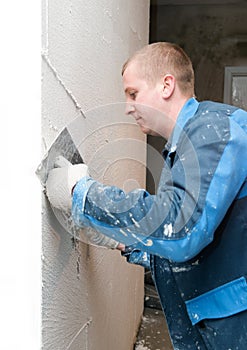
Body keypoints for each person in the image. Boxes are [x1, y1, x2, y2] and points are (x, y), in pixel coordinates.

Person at [46, 42, 247, 349]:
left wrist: (82, 194)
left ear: (166, 85)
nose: (127, 106)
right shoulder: (184, 147)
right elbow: (206, 236)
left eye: (133, 94)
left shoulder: (215, 129)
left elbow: (181, 229)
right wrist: (130, 244)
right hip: (215, 317)